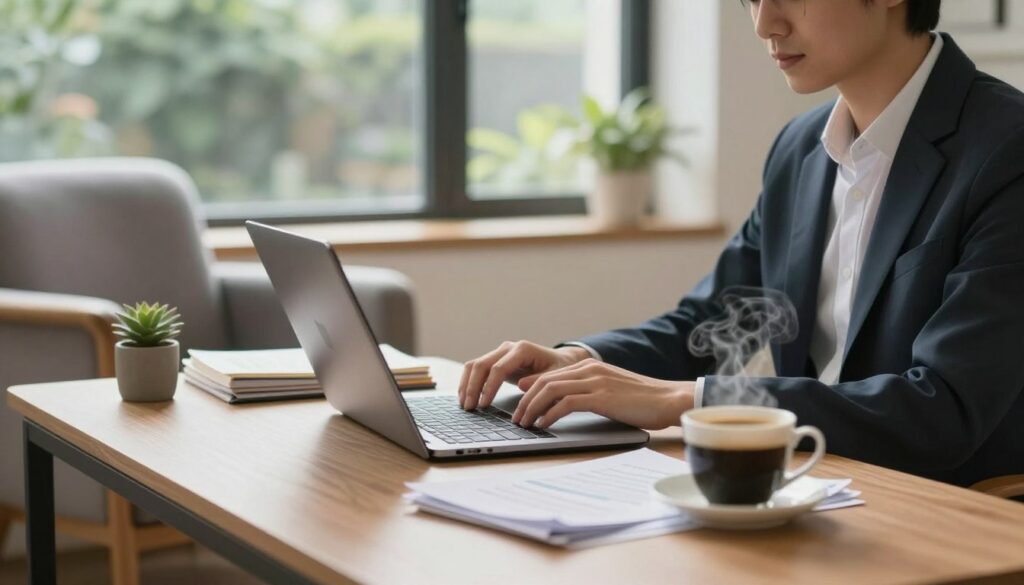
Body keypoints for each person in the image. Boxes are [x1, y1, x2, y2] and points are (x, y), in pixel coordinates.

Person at [457, 0, 1024, 487]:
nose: (764, 24)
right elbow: (711, 321)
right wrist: (580, 361)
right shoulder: (800, 150)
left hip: (947, 510)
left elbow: (944, 410)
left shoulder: (1005, 149)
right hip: (810, 485)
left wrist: (690, 400)